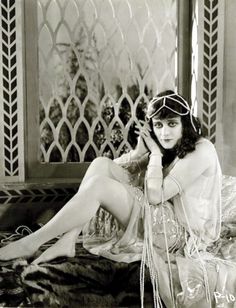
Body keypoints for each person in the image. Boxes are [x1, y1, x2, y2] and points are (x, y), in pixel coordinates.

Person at [0, 90, 222, 307]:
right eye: (158, 125)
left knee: (100, 186)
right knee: (100, 164)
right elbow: (112, 169)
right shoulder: (169, 146)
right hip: (163, 214)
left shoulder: (202, 150)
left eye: (172, 124)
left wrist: (154, 154)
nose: (164, 133)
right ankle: (68, 239)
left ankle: (31, 242)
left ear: (186, 123)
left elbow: (155, 195)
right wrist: (138, 154)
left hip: (180, 236)